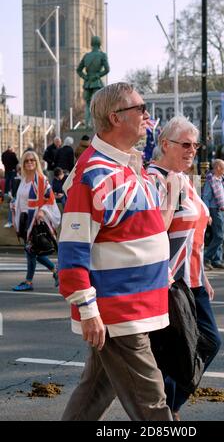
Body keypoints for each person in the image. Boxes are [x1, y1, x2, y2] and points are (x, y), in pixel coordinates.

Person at [58, 82, 172, 421]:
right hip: (120, 310)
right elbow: (73, 250)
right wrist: (87, 308)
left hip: (131, 306)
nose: (147, 115)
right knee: (152, 403)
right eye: (141, 108)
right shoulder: (93, 173)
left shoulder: (124, 166)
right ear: (116, 117)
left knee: (95, 391)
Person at [147, 116, 221, 421]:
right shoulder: (155, 178)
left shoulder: (186, 178)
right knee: (175, 352)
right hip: (170, 283)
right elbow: (153, 231)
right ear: (165, 144)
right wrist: (174, 189)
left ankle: (167, 405)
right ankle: (162, 410)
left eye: (195, 144)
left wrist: (203, 275)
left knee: (208, 343)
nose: (192, 150)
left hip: (193, 281)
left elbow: (194, 234)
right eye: (185, 144)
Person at [12, 151, 61, 291]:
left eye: (32, 160)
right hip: (25, 220)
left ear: (36, 162)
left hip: (36, 220)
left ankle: (29, 282)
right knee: (32, 251)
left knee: (31, 250)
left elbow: (50, 197)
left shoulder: (40, 179)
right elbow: (21, 200)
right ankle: (55, 271)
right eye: (27, 160)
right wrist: (14, 205)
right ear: (23, 163)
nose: (29, 162)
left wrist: (42, 211)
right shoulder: (23, 180)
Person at [202, 159, 224, 270]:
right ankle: (206, 258)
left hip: (221, 209)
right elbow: (206, 197)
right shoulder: (211, 179)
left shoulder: (221, 179)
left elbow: (223, 197)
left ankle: (217, 260)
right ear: (218, 167)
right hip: (214, 210)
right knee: (219, 236)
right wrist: (208, 214)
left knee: (220, 236)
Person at [77, 36, 110, 128]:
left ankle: (87, 124)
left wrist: (85, 77)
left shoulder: (86, 56)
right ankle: (94, 124)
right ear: (100, 44)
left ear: (91, 44)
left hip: (87, 83)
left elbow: (79, 70)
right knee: (96, 104)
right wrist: (98, 75)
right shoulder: (102, 55)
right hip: (96, 82)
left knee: (88, 104)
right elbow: (107, 69)